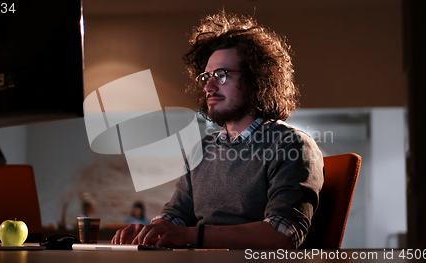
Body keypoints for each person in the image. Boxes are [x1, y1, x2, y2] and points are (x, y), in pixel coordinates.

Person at [112, 11, 324, 249]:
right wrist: (150, 231)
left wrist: (190, 236)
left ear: (257, 80)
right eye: (206, 77)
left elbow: (282, 235)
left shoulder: (291, 145)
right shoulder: (202, 149)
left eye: (221, 75)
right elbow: (176, 216)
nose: (209, 86)